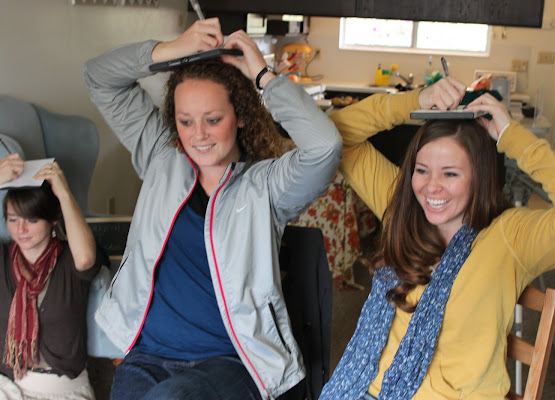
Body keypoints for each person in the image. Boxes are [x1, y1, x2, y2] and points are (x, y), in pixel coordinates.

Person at [83, 18, 341, 400]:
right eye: (185, 121)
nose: (198, 135)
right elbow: (99, 76)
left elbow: (324, 147)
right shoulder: (161, 157)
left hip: (229, 361)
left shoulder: (267, 187)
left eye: (213, 120)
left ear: (240, 116)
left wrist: (263, 76)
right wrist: (170, 50)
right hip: (148, 354)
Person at [319, 79, 555, 399]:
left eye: (450, 173)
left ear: (478, 178)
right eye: (422, 170)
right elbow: (333, 136)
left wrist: (512, 136)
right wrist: (413, 101)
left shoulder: (510, 238)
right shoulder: (401, 204)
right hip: (368, 388)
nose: (431, 187)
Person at [0, 161, 101, 399]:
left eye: (32, 220)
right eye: (13, 219)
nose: (21, 229)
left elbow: (86, 258)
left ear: (52, 219)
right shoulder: (3, 258)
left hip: (62, 391)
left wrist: (63, 193)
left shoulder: (70, 259)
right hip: (7, 387)